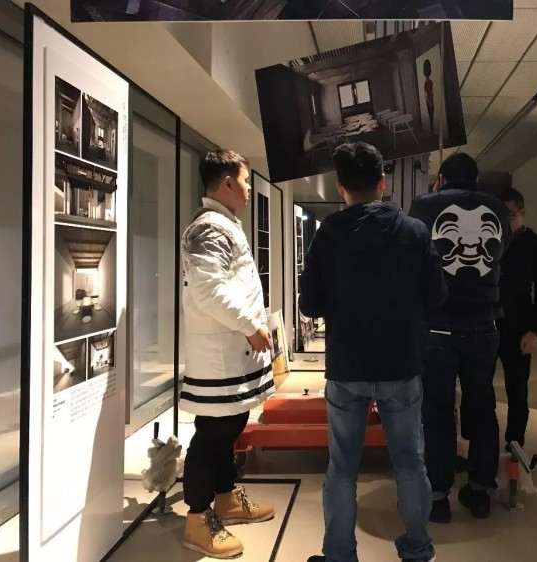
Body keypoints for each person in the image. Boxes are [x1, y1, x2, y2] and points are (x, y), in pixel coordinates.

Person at [300, 142, 447, 562]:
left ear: (339, 187)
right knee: (410, 463)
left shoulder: (328, 235)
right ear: (383, 182)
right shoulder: (414, 231)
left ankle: (339, 554)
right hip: (401, 363)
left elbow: (310, 304)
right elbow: (437, 295)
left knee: (342, 467)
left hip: (346, 366)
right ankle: (417, 549)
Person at [179, 149, 276, 559]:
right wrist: (250, 325)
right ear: (228, 183)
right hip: (220, 354)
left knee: (229, 425)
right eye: (246, 181)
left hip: (231, 353)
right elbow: (208, 290)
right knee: (212, 435)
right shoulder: (210, 228)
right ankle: (198, 518)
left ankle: (224, 497)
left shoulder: (221, 224)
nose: (250, 189)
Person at [408, 152, 511, 523]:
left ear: (441, 179)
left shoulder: (424, 206)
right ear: (476, 179)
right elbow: (501, 253)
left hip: (437, 326)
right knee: (482, 407)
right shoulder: (498, 209)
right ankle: (480, 492)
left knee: (436, 411)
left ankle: (437, 497)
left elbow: (413, 256)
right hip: (483, 326)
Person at [495, 187, 537, 450]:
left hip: (519, 327)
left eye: (511, 215)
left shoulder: (535, 244)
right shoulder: (491, 240)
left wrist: (534, 331)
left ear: (522, 213)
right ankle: (481, 440)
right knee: (479, 386)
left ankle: (515, 444)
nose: (506, 222)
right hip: (488, 324)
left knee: (517, 389)